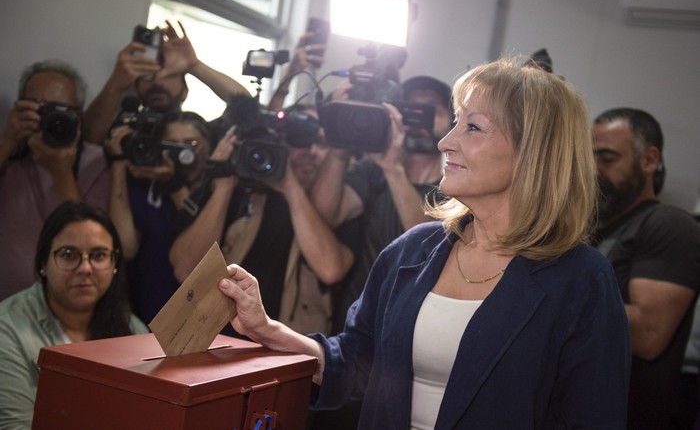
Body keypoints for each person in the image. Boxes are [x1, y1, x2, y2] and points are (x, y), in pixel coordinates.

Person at [217, 57, 631, 428]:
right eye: (455, 122)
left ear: (533, 152)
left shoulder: (580, 278)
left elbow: (592, 417)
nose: (445, 141)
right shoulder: (413, 250)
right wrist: (267, 329)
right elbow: (356, 361)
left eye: (472, 127)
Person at [170, 100, 357, 335]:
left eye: (321, 143)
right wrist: (222, 187)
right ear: (280, 141)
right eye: (300, 140)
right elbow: (185, 269)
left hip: (288, 349)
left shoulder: (344, 204)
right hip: (218, 339)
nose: (311, 152)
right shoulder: (240, 191)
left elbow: (331, 269)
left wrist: (289, 185)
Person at [311, 74, 452, 333]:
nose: (419, 116)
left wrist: (393, 169)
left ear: (452, 120)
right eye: (410, 108)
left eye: (431, 107)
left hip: (412, 327)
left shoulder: (455, 187)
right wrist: (339, 146)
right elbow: (325, 215)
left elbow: (431, 247)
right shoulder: (372, 172)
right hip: (356, 324)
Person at [591, 107, 700, 430]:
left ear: (649, 160)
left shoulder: (668, 225)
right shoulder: (589, 229)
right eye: (590, 157)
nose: (594, 169)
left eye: (607, 159)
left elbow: (647, 335)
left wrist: (554, 297)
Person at [0, 201, 148, 429]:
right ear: (43, 263)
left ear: (114, 263)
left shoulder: (132, 329)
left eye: (98, 255)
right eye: (69, 255)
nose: (85, 268)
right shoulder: (6, 329)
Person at [105, 111, 236, 324]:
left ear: (210, 149)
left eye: (191, 143)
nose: (182, 153)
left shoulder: (221, 192)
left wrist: (174, 184)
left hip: (203, 319)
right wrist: (119, 162)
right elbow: (125, 247)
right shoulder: (148, 189)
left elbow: (199, 251)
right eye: (171, 145)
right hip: (149, 316)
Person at [0, 60, 111, 300]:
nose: (49, 119)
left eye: (60, 110)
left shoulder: (97, 162)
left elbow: (90, 241)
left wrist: (60, 172)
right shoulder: (9, 154)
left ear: (79, 117)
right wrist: (8, 141)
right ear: (19, 108)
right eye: (38, 107)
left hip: (66, 312)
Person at [82, 20, 250, 145]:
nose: (158, 81)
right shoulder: (121, 133)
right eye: (148, 75)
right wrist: (114, 84)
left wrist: (195, 66)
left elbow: (245, 105)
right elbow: (88, 142)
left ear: (186, 91)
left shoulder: (198, 135)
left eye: (170, 76)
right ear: (136, 89)